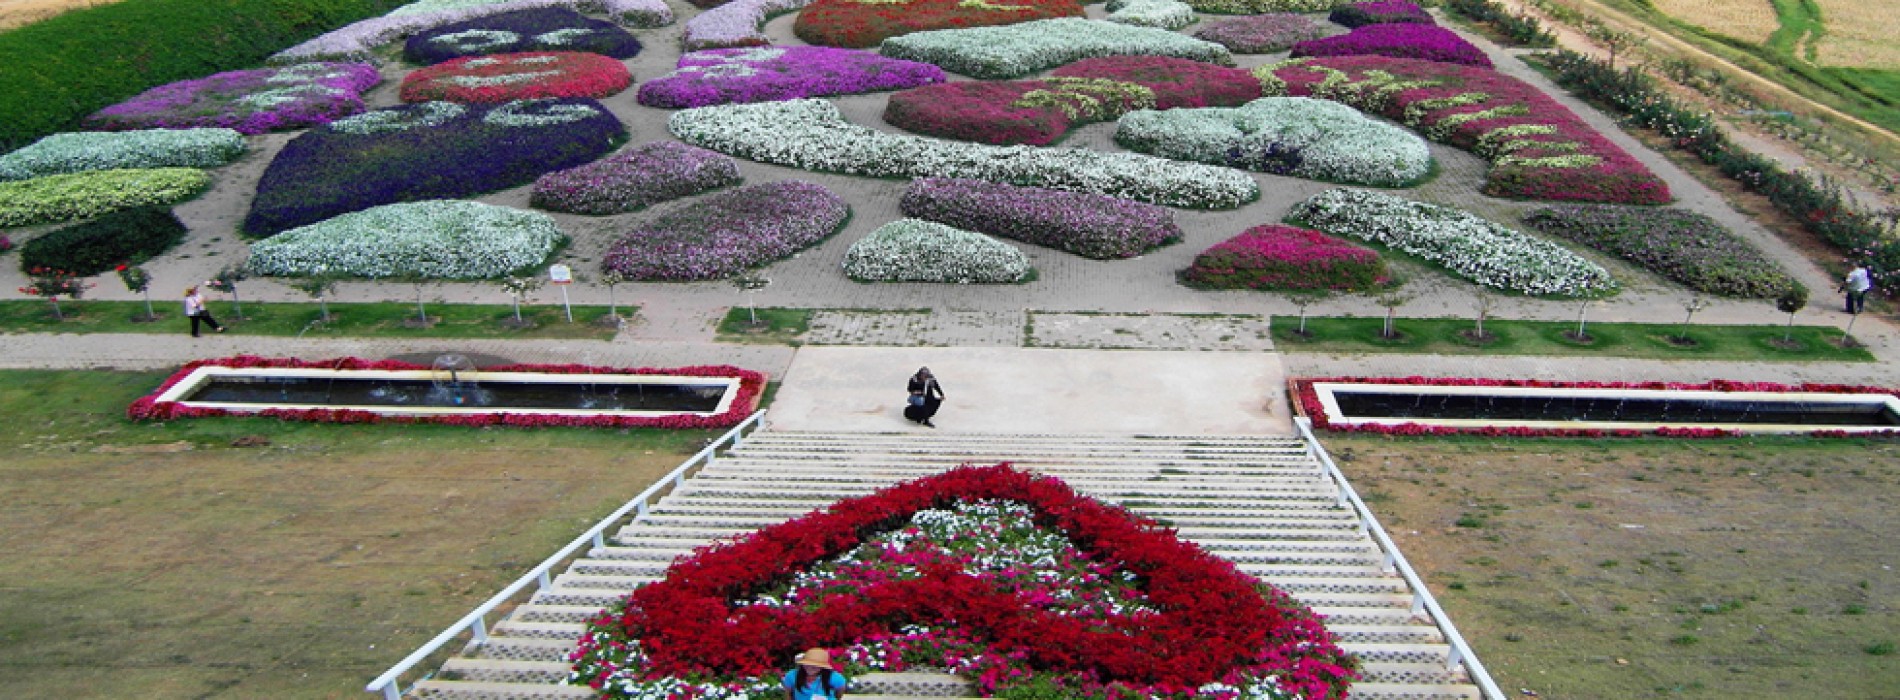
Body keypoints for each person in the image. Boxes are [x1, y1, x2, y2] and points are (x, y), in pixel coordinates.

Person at [781, 648, 847, 700]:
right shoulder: (792, 675)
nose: (810, 668)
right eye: (807, 664)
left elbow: (839, 694)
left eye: (814, 666)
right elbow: (788, 694)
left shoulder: (835, 678)